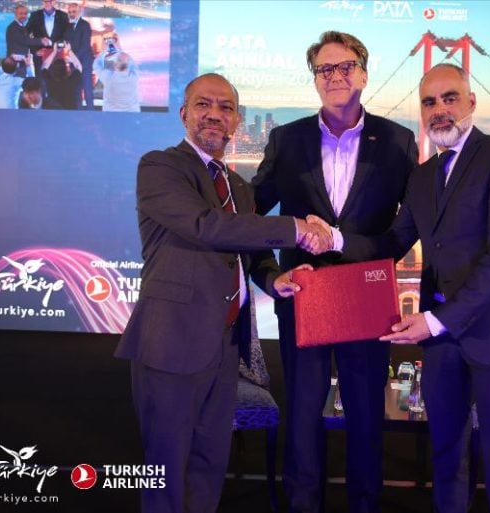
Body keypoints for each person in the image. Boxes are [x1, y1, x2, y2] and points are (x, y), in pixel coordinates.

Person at [326, 63, 490, 513]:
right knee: (446, 454)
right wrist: (334, 240)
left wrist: (437, 321)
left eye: (450, 98)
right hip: (442, 343)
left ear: (471, 102)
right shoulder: (422, 177)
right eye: (429, 102)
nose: (439, 109)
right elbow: (391, 243)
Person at [114, 73, 330, 513]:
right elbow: (207, 227)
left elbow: (251, 252)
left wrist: (274, 280)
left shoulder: (240, 188)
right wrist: (295, 228)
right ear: (184, 114)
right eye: (203, 104)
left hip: (226, 346)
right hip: (171, 341)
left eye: (226, 107)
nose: (214, 114)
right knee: (166, 468)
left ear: (236, 121)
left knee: (210, 463)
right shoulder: (160, 167)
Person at [252, 31, 418, 513]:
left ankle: (364, 505)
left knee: (366, 415)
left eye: (345, 66)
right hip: (304, 296)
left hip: (366, 298)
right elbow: (249, 215)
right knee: (303, 414)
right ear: (315, 80)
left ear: (363, 75)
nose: (335, 76)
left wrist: (343, 242)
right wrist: (269, 275)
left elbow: (405, 232)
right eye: (324, 69)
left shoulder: (398, 142)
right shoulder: (287, 139)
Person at [25, 0, 69, 77]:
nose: (48, 3)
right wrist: (34, 51)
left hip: (58, 55)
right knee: (41, 81)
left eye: (50, 1)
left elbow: (67, 35)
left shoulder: (63, 16)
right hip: (40, 57)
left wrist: (60, 46)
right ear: (42, 2)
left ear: (54, 2)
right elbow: (26, 35)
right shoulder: (35, 16)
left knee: (58, 80)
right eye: (45, 1)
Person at [64, 1, 94, 109]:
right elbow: (66, 44)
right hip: (74, 63)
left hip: (85, 62)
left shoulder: (85, 25)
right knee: (76, 90)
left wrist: (73, 58)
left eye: (74, 11)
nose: (72, 14)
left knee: (87, 89)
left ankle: (91, 113)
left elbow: (85, 46)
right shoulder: (67, 27)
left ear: (79, 12)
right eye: (69, 12)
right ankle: (77, 114)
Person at [93, 45, 140, 112]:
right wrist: (120, 50)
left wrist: (104, 51)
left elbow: (96, 64)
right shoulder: (134, 76)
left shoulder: (108, 77)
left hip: (111, 114)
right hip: (132, 113)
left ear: (114, 65)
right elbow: (132, 63)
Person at [41, 41, 82, 109]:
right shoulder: (71, 81)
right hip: (70, 113)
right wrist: (69, 50)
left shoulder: (50, 81)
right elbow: (79, 67)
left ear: (53, 69)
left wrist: (54, 52)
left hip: (53, 112)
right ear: (65, 69)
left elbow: (44, 67)